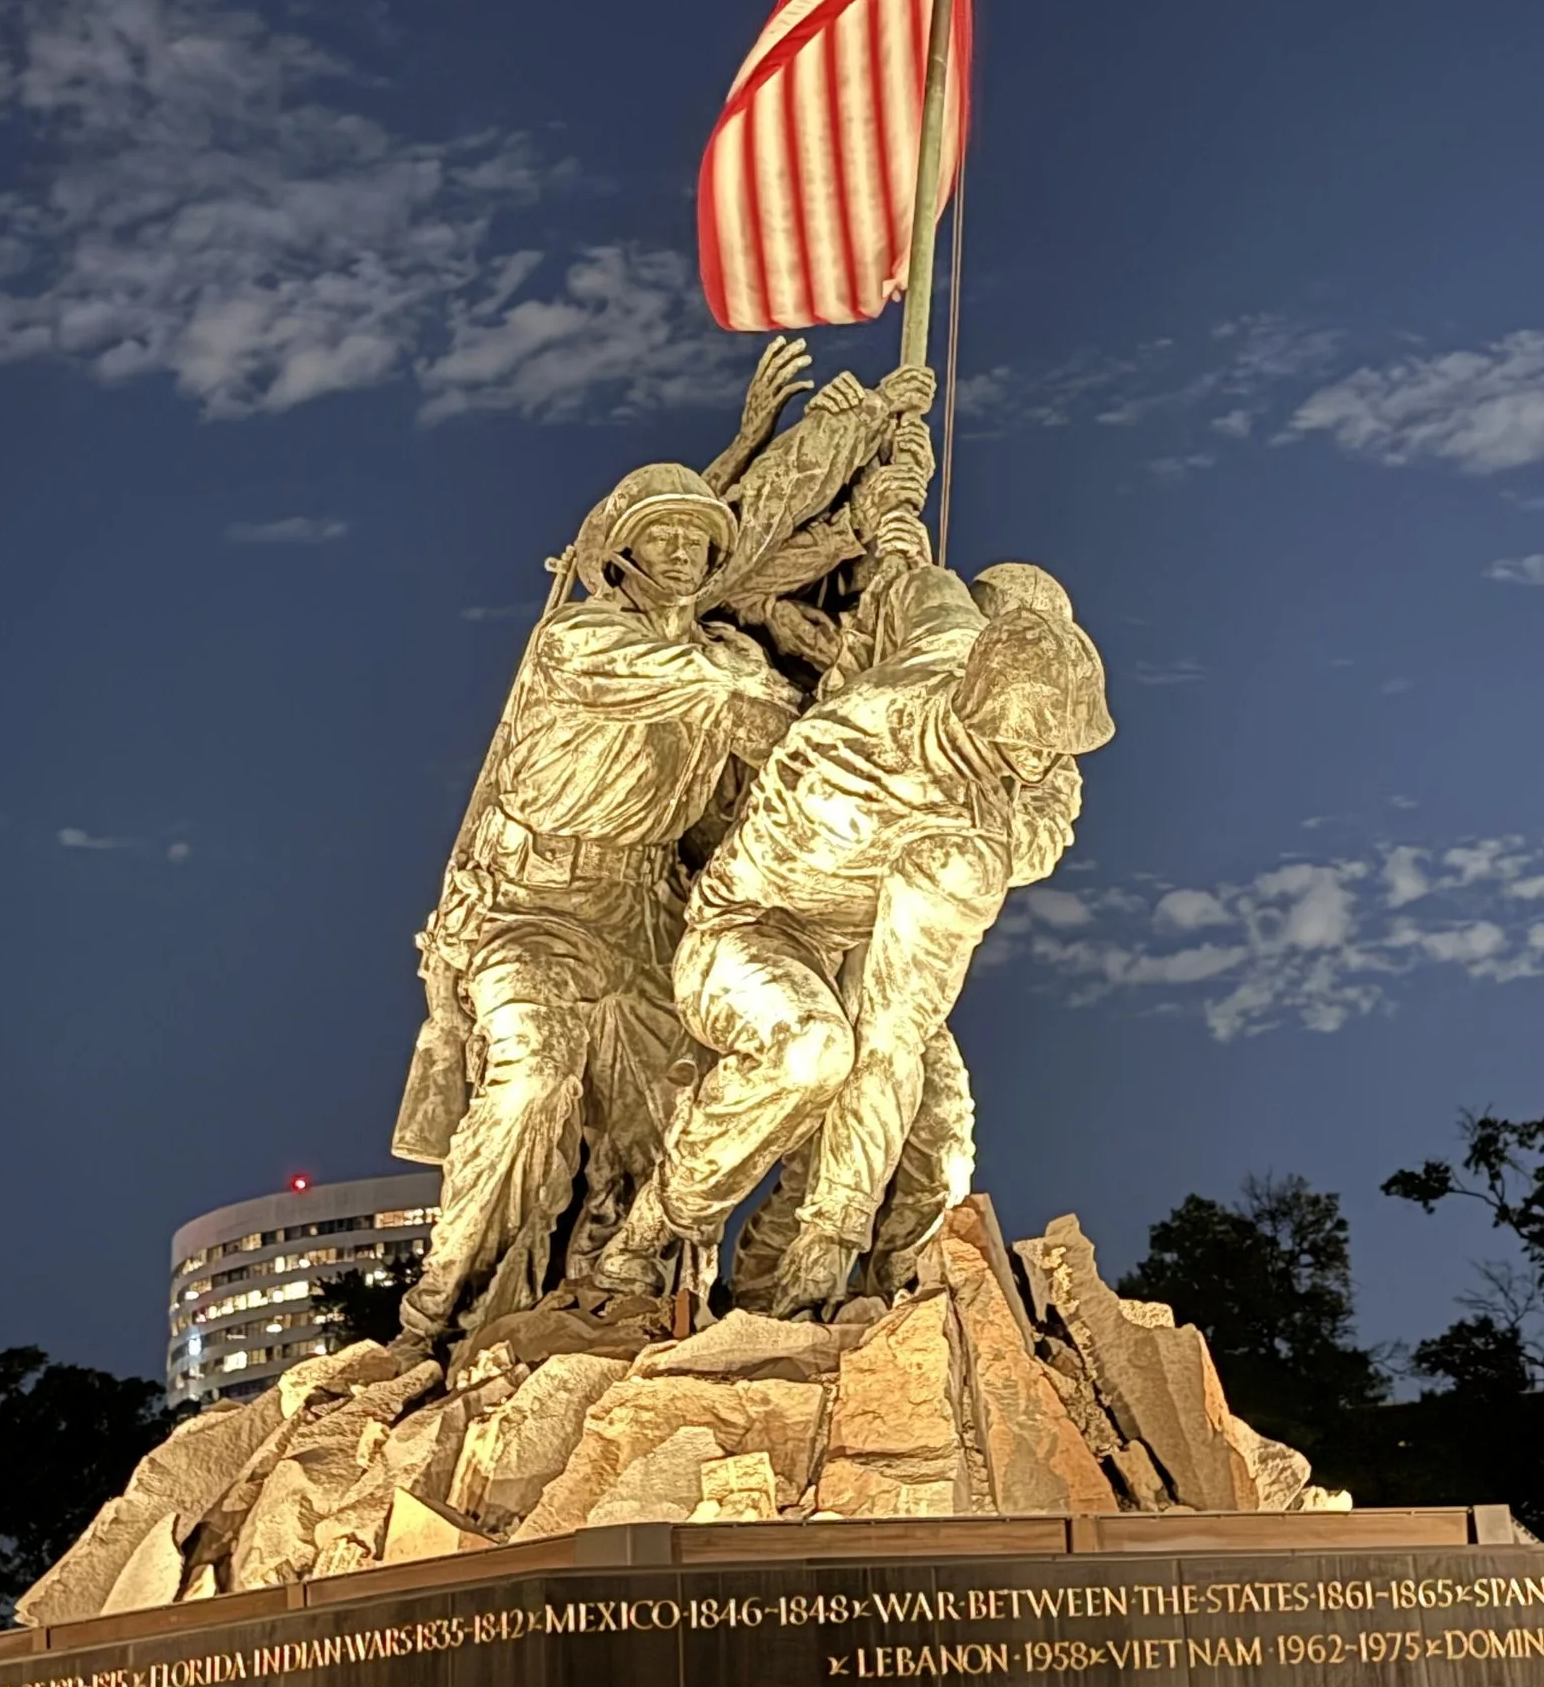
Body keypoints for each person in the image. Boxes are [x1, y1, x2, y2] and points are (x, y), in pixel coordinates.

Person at [591, 546, 1112, 1317]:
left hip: (862, 933)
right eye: (1030, 745)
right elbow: (884, 1042)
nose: (1042, 763)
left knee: (940, 1145)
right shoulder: (947, 835)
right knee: (815, 1054)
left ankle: (845, 1300)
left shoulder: (948, 639)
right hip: (748, 933)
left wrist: (853, 674)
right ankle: (650, 1234)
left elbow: (914, 592)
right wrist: (831, 1238)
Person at [390, 456, 799, 1343]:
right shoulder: (579, 641)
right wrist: (752, 682)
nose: (686, 551)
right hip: (535, 905)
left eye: (699, 537)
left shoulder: (722, 658)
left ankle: (627, 1301)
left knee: (667, 1127)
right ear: (623, 550)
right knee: (532, 1077)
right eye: (664, 534)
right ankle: (440, 1310)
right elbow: (687, 683)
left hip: (649, 910)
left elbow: (783, 751)